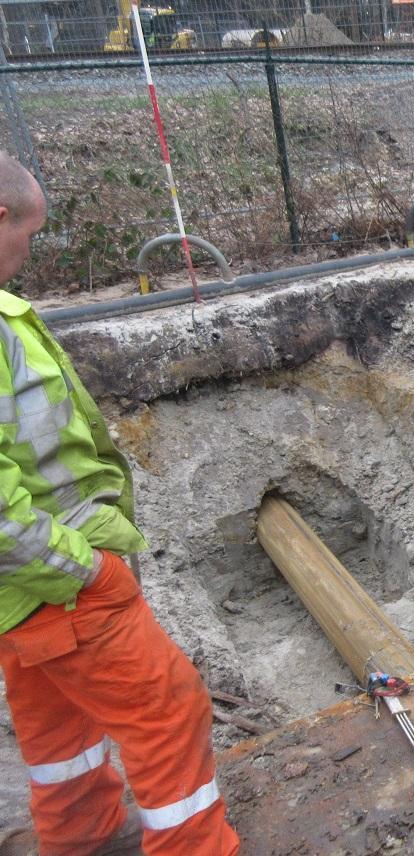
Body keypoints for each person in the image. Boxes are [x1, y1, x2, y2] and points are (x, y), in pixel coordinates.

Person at [0, 153, 239, 855]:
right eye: (30, 235)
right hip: (54, 579)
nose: (29, 252)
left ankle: (85, 838)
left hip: (20, 595)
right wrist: (85, 570)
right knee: (167, 710)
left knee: (57, 724)